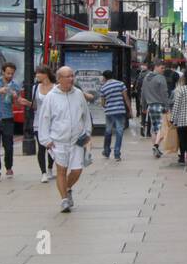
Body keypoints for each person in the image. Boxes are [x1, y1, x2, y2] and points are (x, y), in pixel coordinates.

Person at [36, 65, 93, 213]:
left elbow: (85, 115)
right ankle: (64, 200)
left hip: (77, 140)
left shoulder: (78, 94)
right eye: (67, 76)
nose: (71, 79)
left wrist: (87, 133)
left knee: (77, 170)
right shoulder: (51, 97)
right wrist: (46, 140)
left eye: (72, 76)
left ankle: (67, 188)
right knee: (61, 170)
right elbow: (44, 119)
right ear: (59, 79)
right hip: (58, 141)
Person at [140, 61, 171, 159]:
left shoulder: (146, 78)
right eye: (162, 68)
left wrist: (144, 107)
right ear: (156, 67)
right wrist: (167, 107)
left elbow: (143, 93)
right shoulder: (161, 78)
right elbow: (164, 94)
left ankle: (155, 150)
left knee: (154, 129)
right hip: (160, 106)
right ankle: (156, 146)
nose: (163, 70)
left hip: (150, 106)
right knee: (163, 128)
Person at [31, 65, 57, 183]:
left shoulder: (56, 88)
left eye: (38, 73)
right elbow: (34, 105)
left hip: (53, 122)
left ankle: (50, 168)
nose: (36, 75)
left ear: (45, 74)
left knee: (51, 146)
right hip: (39, 122)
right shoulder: (35, 88)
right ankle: (43, 173)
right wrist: (26, 103)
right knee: (41, 147)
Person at [99, 69, 130, 162]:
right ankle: (117, 154)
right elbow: (126, 98)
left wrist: (108, 105)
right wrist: (130, 110)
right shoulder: (120, 84)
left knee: (108, 131)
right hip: (120, 111)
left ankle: (106, 151)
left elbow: (103, 103)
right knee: (119, 132)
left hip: (109, 112)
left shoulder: (103, 87)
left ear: (104, 77)